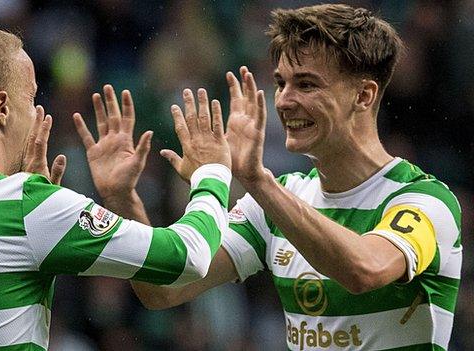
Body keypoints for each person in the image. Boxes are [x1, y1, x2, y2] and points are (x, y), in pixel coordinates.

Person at [80, 4, 462, 350]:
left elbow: (365, 270)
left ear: (363, 96)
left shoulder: (424, 201)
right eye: (281, 83)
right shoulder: (275, 203)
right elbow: (161, 292)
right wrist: (122, 200)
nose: (284, 100)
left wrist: (257, 180)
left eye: (307, 84)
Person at [0, 24, 233, 350]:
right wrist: (212, 172)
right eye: (31, 97)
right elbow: (188, 256)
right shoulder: (24, 205)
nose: (37, 112)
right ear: (2, 107)